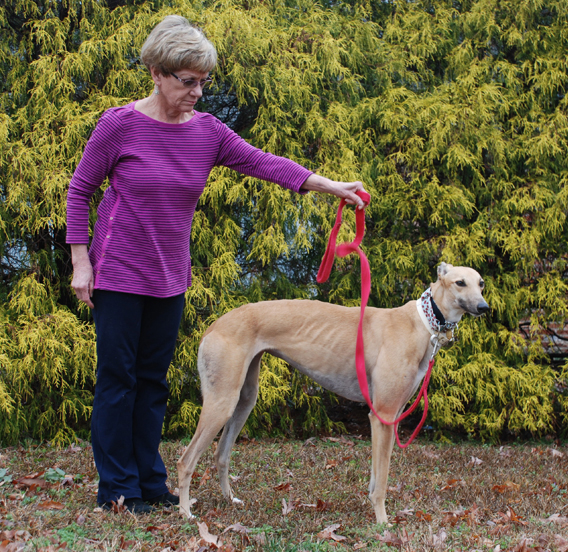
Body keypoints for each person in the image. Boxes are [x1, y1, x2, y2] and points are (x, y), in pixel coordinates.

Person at [66, 14, 366, 514]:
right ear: (157, 74)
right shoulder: (119, 125)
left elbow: (262, 162)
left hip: (169, 276)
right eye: (188, 81)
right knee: (118, 381)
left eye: (203, 82)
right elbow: (80, 191)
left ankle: (151, 482)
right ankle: (117, 489)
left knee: (153, 381)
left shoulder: (207, 132)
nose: (197, 92)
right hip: (118, 270)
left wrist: (327, 185)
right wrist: (81, 262)